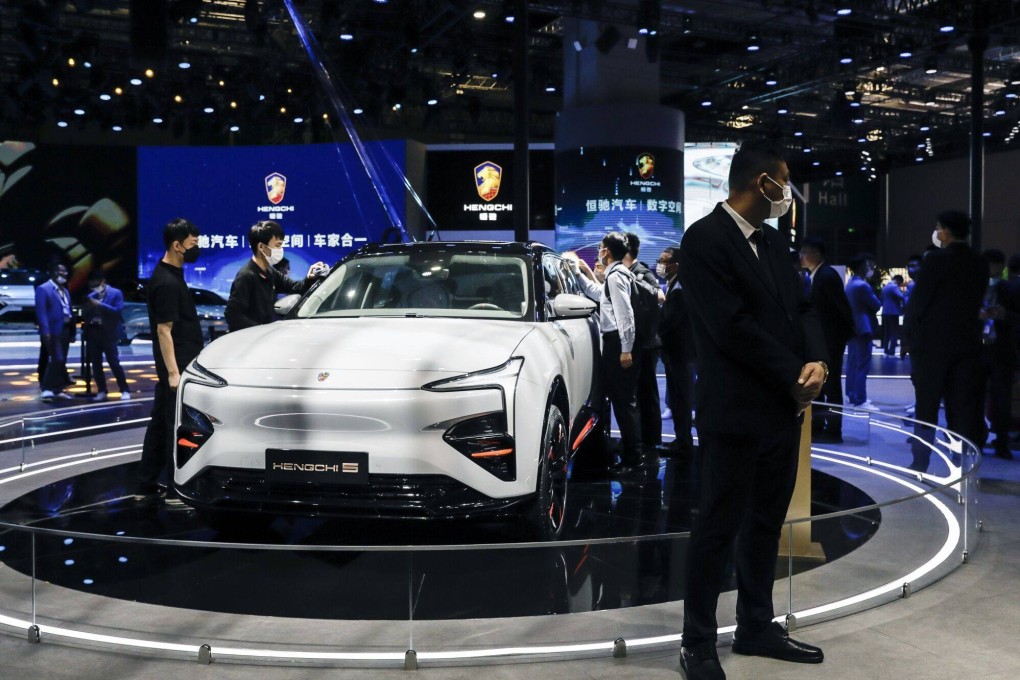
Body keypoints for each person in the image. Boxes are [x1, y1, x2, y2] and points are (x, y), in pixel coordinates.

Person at [677, 140, 828, 680]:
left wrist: (816, 361)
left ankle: (755, 626)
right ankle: (696, 643)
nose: (788, 190)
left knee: (765, 522)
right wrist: (793, 374)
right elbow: (731, 327)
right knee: (717, 528)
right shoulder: (704, 240)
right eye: (783, 179)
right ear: (760, 182)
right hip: (735, 412)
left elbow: (803, 307)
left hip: (782, 412)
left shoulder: (772, 242)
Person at [903, 210, 987, 473]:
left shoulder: (935, 260)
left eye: (938, 228)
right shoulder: (980, 262)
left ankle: (920, 462)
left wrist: (909, 340)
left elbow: (918, 304)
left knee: (926, 408)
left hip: (931, 346)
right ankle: (961, 464)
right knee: (961, 409)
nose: (937, 232)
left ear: (946, 231)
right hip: (967, 344)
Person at [135, 218, 204, 501]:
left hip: (178, 366)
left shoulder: (173, 275)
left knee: (160, 424)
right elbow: (165, 331)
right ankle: (175, 489)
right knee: (172, 426)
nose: (196, 248)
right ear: (177, 245)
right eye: (192, 244)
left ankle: (146, 483)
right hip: (176, 369)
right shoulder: (165, 281)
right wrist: (173, 373)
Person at [573, 232, 646, 475]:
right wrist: (579, 275)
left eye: (601, 248)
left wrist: (625, 349)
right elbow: (599, 294)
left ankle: (633, 459)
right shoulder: (617, 275)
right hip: (618, 343)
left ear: (607, 252)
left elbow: (626, 316)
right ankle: (631, 455)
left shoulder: (616, 277)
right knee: (624, 402)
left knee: (625, 403)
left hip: (618, 345)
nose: (598, 252)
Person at [799, 236, 854, 442]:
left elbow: (841, 308)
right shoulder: (819, 275)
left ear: (816, 254)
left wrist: (841, 336)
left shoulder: (826, 275)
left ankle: (833, 429)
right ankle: (820, 426)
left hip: (830, 340)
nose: (802, 257)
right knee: (824, 385)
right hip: (826, 340)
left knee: (831, 386)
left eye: (805, 252)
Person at [225, 221, 326, 332]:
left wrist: (309, 278)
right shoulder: (246, 276)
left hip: (264, 338)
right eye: (278, 245)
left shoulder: (270, 272)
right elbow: (232, 314)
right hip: (249, 340)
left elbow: (295, 287)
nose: (281, 249)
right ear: (261, 247)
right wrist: (259, 330)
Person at [624, 232, 665, 451]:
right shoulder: (629, 272)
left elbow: (659, 296)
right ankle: (642, 439)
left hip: (647, 344)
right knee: (639, 395)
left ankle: (651, 441)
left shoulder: (641, 272)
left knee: (648, 394)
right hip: (640, 344)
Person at [978, 249, 1018, 459]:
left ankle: (1001, 441)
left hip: (1001, 348)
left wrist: (1006, 315)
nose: (993, 270)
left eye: (996, 265)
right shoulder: (972, 288)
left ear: (1002, 267)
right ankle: (978, 439)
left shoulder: (1010, 289)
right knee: (975, 396)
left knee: (1002, 397)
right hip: (979, 348)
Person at [656, 246, 695, 456]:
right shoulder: (674, 285)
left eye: (664, 261)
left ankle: (684, 443)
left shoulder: (679, 289)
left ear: (675, 265)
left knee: (681, 400)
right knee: (678, 399)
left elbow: (670, 322)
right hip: (676, 353)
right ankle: (681, 441)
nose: (660, 265)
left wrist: (654, 332)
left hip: (680, 353)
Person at [83, 270, 131, 401]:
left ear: (102, 281)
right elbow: (85, 314)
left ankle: (125, 390)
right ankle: (102, 390)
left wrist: (100, 305)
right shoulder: (91, 295)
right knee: (96, 364)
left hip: (108, 332)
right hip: (93, 331)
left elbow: (117, 312)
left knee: (114, 362)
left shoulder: (116, 293)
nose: (93, 287)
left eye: (95, 284)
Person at [844, 254, 881, 409]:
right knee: (862, 365)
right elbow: (876, 305)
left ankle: (852, 394)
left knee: (853, 363)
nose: (869, 268)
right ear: (861, 267)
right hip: (864, 327)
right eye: (867, 265)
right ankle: (860, 399)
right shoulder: (863, 285)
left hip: (853, 326)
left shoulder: (850, 284)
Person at [35, 262, 75, 401]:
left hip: (65, 329)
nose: (63, 274)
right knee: (57, 359)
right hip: (52, 330)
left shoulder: (65, 290)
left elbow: (68, 310)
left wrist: (73, 331)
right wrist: (45, 331)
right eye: (60, 271)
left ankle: (57, 389)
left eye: (65, 271)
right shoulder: (43, 289)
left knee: (62, 360)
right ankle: (46, 389)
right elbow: (41, 313)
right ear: (52, 272)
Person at [881, 274, 906, 356]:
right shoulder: (894, 287)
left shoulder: (885, 287)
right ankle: (892, 350)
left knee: (886, 333)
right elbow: (901, 296)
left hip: (885, 312)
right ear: (898, 280)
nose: (899, 285)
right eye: (900, 283)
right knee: (894, 332)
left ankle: (885, 349)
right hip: (893, 312)